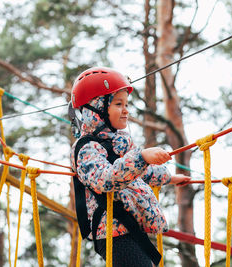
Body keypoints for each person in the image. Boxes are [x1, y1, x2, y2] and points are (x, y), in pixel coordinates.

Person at [69, 67, 191, 267]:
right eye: (118, 104)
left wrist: (169, 177)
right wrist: (142, 157)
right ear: (96, 108)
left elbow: (140, 173)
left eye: (126, 104)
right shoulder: (86, 149)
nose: (126, 110)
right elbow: (106, 179)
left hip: (129, 226)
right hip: (111, 232)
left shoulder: (119, 143)